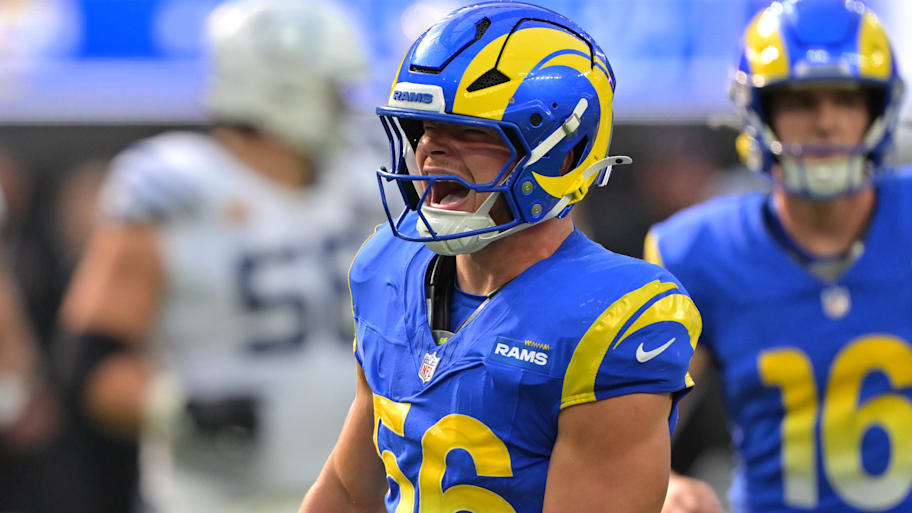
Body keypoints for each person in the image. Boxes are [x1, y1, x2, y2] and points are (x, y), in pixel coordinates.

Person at [300, 3, 702, 512]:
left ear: (562, 152)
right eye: (423, 127)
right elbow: (348, 491)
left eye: (471, 131)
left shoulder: (613, 316)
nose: (430, 151)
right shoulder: (387, 264)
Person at [56, 1, 370, 512]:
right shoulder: (176, 189)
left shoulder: (363, 181)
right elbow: (90, 364)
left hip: (352, 493)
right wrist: (178, 411)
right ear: (281, 88)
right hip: (218, 499)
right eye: (332, 90)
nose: (345, 106)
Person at [646, 1, 911, 512]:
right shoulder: (700, 252)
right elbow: (631, 429)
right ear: (758, 111)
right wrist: (666, 484)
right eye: (800, 101)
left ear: (878, 108)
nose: (826, 123)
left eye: (847, 99)